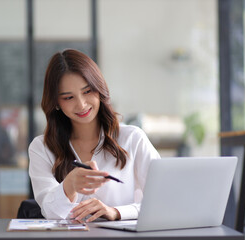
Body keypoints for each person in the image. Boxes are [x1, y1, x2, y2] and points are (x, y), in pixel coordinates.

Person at [29, 49, 160, 222]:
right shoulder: (42, 148)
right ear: (56, 103)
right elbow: (50, 212)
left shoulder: (132, 139)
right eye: (68, 97)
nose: (81, 105)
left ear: (99, 89)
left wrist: (116, 212)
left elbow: (164, 201)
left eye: (87, 91)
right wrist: (70, 185)